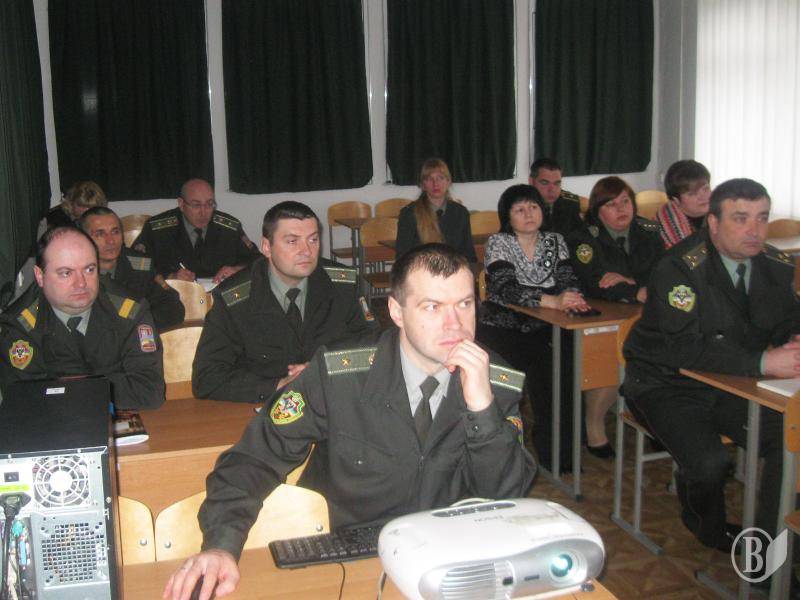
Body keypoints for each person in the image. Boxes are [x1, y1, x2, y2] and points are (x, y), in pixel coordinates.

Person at [163, 243, 536, 600]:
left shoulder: (496, 382)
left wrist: (482, 410)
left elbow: (505, 498)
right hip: (348, 563)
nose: (454, 325)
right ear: (397, 312)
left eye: (465, 304)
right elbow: (253, 458)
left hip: (451, 565)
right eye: (432, 307)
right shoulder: (338, 375)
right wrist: (221, 545)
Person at [623, 178, 800, 561]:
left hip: (731, 382)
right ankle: (707, 525)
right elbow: (683, 347)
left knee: (791, 441)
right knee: (709, 463)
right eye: (741, 218)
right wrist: (763, 361)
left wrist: (794, 340)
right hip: (664, 383)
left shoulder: (775, 265)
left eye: (762, 218)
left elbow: (787, 319)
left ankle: (773, 556)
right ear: (714, 223)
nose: (754, 230)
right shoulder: (679, 268)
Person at [475, 184, 609, 472]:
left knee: (572, 366)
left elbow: (567, 277)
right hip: (505, 324)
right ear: (507, 215)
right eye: (520, 209)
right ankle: (549, 452)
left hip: (549, 321)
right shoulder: (499, 242)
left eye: (534, 207)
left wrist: (571, 297)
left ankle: (568, 450)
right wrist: (552, 301)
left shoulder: (555, 240)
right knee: (546, 371)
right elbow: (505, 289)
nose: (528, 214)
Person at [192, 201, 378, 403]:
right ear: (266, 247)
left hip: (334, 400)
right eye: (292, 241)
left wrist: (327, 367)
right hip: (262, 408)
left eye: (313, 239)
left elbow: (375, 349)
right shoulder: (233, 299)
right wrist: (279, 385)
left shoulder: (344, 285)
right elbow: (207, 378)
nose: (306, 250)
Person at [0, 227, 165, 410]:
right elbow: (23, 401)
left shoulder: (130, 311)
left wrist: (66, 386)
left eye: (89, 269)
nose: (81, 283)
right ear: (40, 276)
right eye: (66, 273)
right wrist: (102, 385)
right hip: (54, 426)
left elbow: (150, 391)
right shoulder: (19, 325)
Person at [132, 178, 260, 282]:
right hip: (172, 297)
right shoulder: (157, 229)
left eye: (209, 204)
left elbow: (258, 260)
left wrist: (237, 270)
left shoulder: (229, 228)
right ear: (181, 204)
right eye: (196, 205)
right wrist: (169, 277)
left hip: (220, 297)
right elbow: (134, 262)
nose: (203, 212)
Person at [78, 207, 185, 330]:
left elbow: (172, 307)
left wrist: (140, 321)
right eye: (100, 234)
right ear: (83, 239)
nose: (110, 241)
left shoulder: (140, 263)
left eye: (115, 232)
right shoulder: (75, 273)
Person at [568, 176, 663, 304]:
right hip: (607, 308)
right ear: (597, 212)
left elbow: (663, 272)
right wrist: (636, 292)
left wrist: (631, 280)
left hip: (650, 304)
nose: (621, 209)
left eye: (625, 201)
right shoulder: (583, 238)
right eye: (611, 204)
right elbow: (594, 283)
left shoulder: (649, 231)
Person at [395, 158, 477, 262]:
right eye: (429, 179)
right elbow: (402, 258)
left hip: (454, 270)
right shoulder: (409, 214)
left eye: (440, 178)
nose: (435, 183)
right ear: (423, 185)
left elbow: (469, 255)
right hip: (421, 270)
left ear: (448, 182)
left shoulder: (461, 213)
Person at [656, 159, 712, 249]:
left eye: (705, 189)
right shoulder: (667, 229)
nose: (703, 197)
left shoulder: (719, 211)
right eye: (693, 194)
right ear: (676, 200)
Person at [528, 157, 584, 237]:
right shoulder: (519, 206)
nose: (552, 190)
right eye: (545, 183)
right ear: (531, 182)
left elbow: (581, 236)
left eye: (557, 183)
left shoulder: (570, 204)